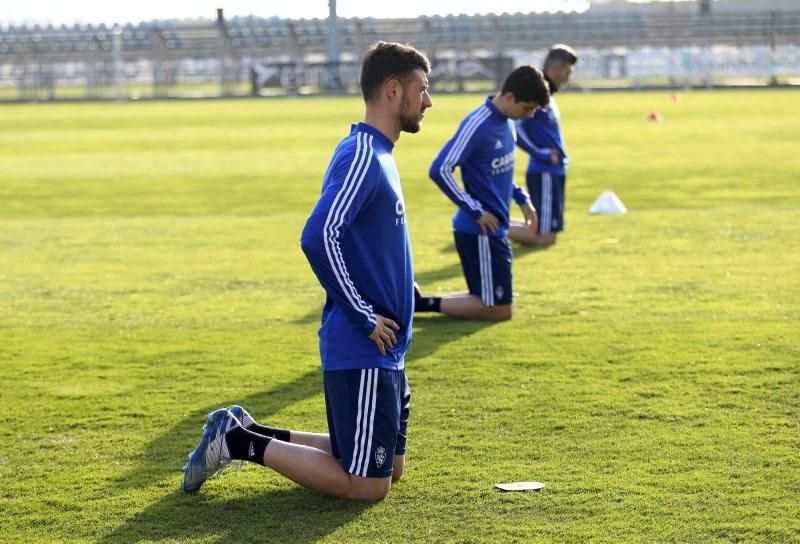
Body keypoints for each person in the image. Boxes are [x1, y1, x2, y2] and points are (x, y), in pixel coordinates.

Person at [181, 41, 432, 501]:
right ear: (394, 90)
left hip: (387, 348)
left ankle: (247, 429)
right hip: (363, 345)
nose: (429, 101)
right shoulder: (362, 154)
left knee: (389, 468)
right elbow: (319, 235)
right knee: (367, 486)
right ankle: (236, 443)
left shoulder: (379, 153)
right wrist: (362, 314)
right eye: (422, 89)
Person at [414, 66, 549, 321]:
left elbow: (498, 173)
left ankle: (415, 303)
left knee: (492, 303)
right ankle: (416, 306)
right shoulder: (478, 124)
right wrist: (476, 211)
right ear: (509, 97)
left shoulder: (508, 121)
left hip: (495, 229)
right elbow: (440, 169)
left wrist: (522, 199)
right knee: (496, 309)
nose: (529, 115)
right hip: (479, 231)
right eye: (528, 108)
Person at [508, 44, 577, 247]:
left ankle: (492, 228)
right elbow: (516, 128)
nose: (569, 76)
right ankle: (485, 230)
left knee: (544, 232)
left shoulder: (547, 96)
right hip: (544, 171)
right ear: (554, 70)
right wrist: (540, 153)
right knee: (545, 238)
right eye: (567, 71)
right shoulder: (536, 95)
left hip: (553, 170)